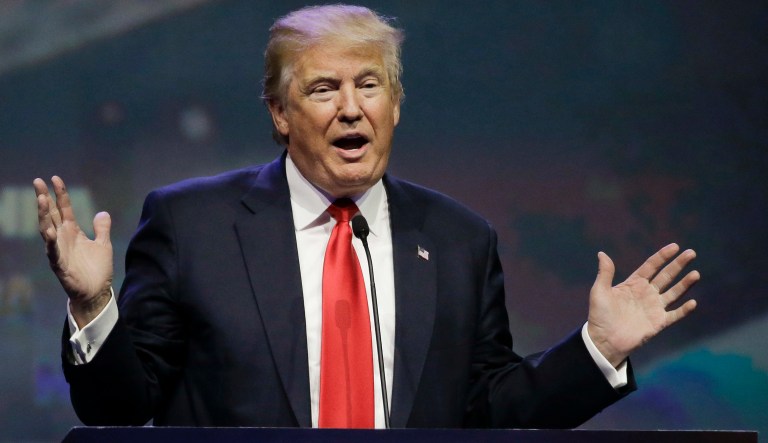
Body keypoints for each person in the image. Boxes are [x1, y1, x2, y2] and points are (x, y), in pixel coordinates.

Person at [33, 4, 699, 429]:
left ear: (396, 105)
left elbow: (493, 405)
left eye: (369, 85)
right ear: (279, 113)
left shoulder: (459, 238)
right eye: (324, 89)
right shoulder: (192, 225)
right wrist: (94, 305)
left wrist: (599, 350)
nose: (351, 109)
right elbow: (119, 407)